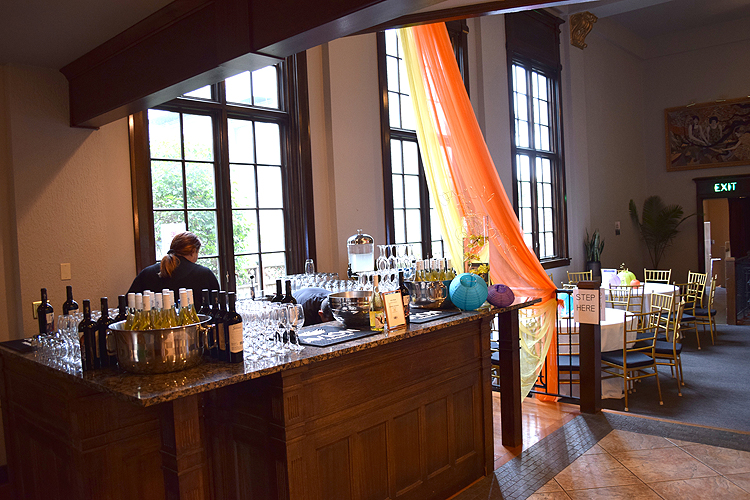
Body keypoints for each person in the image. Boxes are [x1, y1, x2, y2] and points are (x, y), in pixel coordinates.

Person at [128, 232, 219, 308]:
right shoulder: (204, 274)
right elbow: (216, 307)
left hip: (154, 324)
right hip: (196, 323)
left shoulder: (146, 273)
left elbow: (128, 304)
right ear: (193, 251)